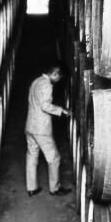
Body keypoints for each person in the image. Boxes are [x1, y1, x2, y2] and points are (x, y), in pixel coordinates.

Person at [24, 62, 72, 197]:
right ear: (55, 74)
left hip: (30, 125)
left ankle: (32, 187)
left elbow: (32, 102)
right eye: (59, 78)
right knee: (54, 158)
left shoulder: (36, 82)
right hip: (41, 128)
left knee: (32, 156)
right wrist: (61, 110)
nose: (58, 81)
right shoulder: (47, 85)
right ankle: (55, 188)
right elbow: (45, 106)